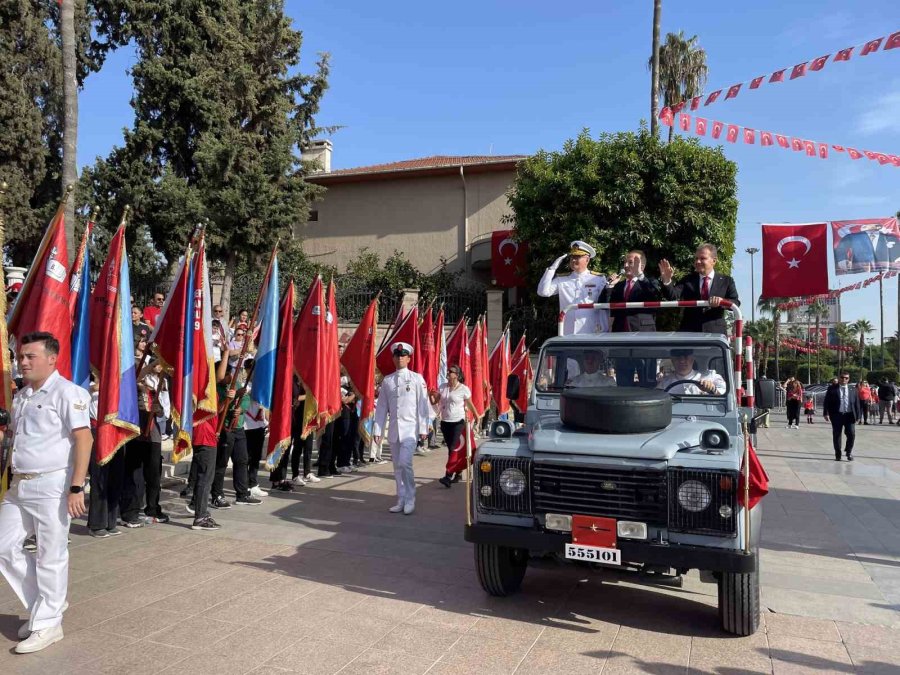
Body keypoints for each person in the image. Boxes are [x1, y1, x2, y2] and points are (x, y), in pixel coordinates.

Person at [0, 332, 92, 653]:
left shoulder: (69, 393)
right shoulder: (23, 396)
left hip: (52, 484)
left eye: (30, 357)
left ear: (52, 359)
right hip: (19, 484)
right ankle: (46, 608)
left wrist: (77, 486)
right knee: (2, 545)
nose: (22, 362)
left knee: (50, 555)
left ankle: (48, 623)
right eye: (21, 357)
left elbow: (84, 439)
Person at [373, 342, 431, 515]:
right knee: (397, 466)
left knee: (406, 463)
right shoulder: (388, 380)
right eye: (397, 356)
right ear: (393, 358)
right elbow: (382, 407)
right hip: (394, 430)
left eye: (403, 355)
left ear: (409, 358)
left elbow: (422, 405)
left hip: (411, 430)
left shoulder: (416, 378)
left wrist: (424, 427)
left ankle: (411, 498)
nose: (399, 358)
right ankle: (401, 498)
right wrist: (377, 430)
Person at [658, 243, 740, 334]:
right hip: (689, 332)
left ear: (714, 261)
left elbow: (736, 303)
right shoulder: (688, 280)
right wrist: (667, 280)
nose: (698, 262)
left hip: (715, 333)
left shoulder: (726, 281)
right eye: (696, 258)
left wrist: (722, 301)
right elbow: (672, 296)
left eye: (702, 258)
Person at [213, 359, 260, 507]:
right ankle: (217, 495)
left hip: (239, 428)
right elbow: (218, 409)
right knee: (221, 463)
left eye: (229, 373)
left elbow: (245, 398)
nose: (228, 377)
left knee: (242, 460)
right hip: (225, 429)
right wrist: (230, 399)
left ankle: (242, 494)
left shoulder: (236, 384)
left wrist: (241, 409)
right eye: (226, 374)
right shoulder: (216, 388)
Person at [537, 240, 610, 335]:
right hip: (568, 332)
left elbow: (604, 304)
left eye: (577, 257)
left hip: (591, 330)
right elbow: (543, 292)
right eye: (572, 257)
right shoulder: (562, 279)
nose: (573, 260)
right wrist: (552, 269)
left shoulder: (599, 279)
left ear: (587, 260)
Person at [429, 365, 478, 488]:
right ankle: (458, 472)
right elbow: (435, 402)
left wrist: (477, 415)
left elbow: (470, 403)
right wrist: (431, 395)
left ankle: (448, 475)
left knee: (453, 448)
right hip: (445, 422)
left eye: (451, 371)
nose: (449, 372)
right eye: (448, 371)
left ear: (457, 375)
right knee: (451, 449)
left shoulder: (463, 389)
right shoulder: (443, 387)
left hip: (458, 422)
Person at [601, 250, 662, 332]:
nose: (626, 265)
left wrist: (640, 276)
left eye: (630, 262)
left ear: (642, 267)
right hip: (620, 331)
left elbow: (653, 297)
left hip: (642, 331)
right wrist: (610, 286)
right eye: (625, 262)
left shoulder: (650, 282)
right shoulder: (619, 285)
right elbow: (604, 305)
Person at [823, 372, 861, 461]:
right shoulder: (832, 388)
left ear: (849, 379)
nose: (844, 379)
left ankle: (849, 451)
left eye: (846, 378)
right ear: (839, 378)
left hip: (849, 415)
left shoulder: (853, 389)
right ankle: (838, 453)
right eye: (842, 377)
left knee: (851, 434)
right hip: (837, 415)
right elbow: (827, 402)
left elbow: (857, 403)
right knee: (837, 434)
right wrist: (826, 413)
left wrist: (859, 416)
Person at [656, 349, 726, 395]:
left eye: (686, 357)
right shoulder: (664, 383)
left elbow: (726, 395)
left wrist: (712, 389)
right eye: (678, 357)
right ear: (672, 360)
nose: (682, 361)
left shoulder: (711, 376)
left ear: (692, 358)